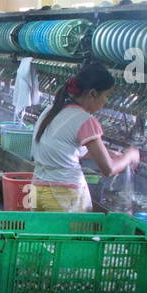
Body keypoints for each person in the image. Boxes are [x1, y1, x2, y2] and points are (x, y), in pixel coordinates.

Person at [30, 63, 138, 212]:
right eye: (106, 95)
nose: (106, 101)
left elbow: (63, 149)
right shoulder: (85, 120)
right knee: (71, 236)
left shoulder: (51, 111)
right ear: (93, 93)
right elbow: (109, 169)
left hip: (38, 189)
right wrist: (130, 155)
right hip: (64, 196)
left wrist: (109, 153)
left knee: (41, 235)